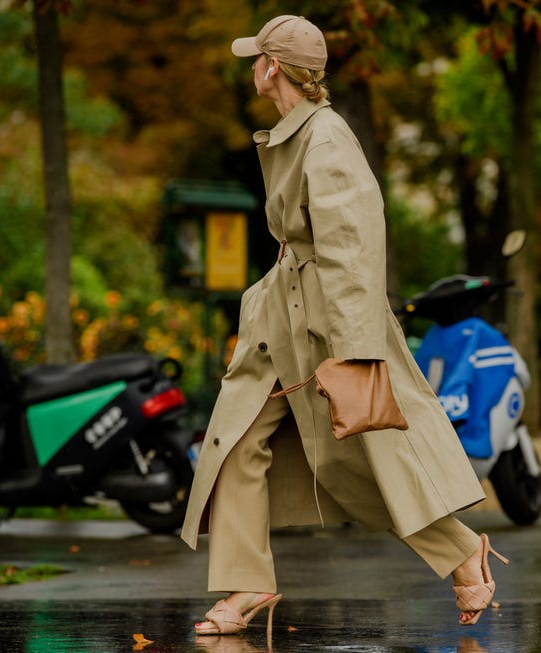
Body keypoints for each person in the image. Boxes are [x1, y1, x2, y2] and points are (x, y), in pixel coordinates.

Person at [180, 15, 508, 643]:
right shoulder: (293, 132)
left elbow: (354, 248)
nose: (250, 65)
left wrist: (357, 353)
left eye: (256, 56)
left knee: (360, 462)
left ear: (273, 66)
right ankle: (247, 578)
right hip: (283, 318)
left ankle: (463, 551)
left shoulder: (326, 140)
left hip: (325, 326)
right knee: (234, 444)